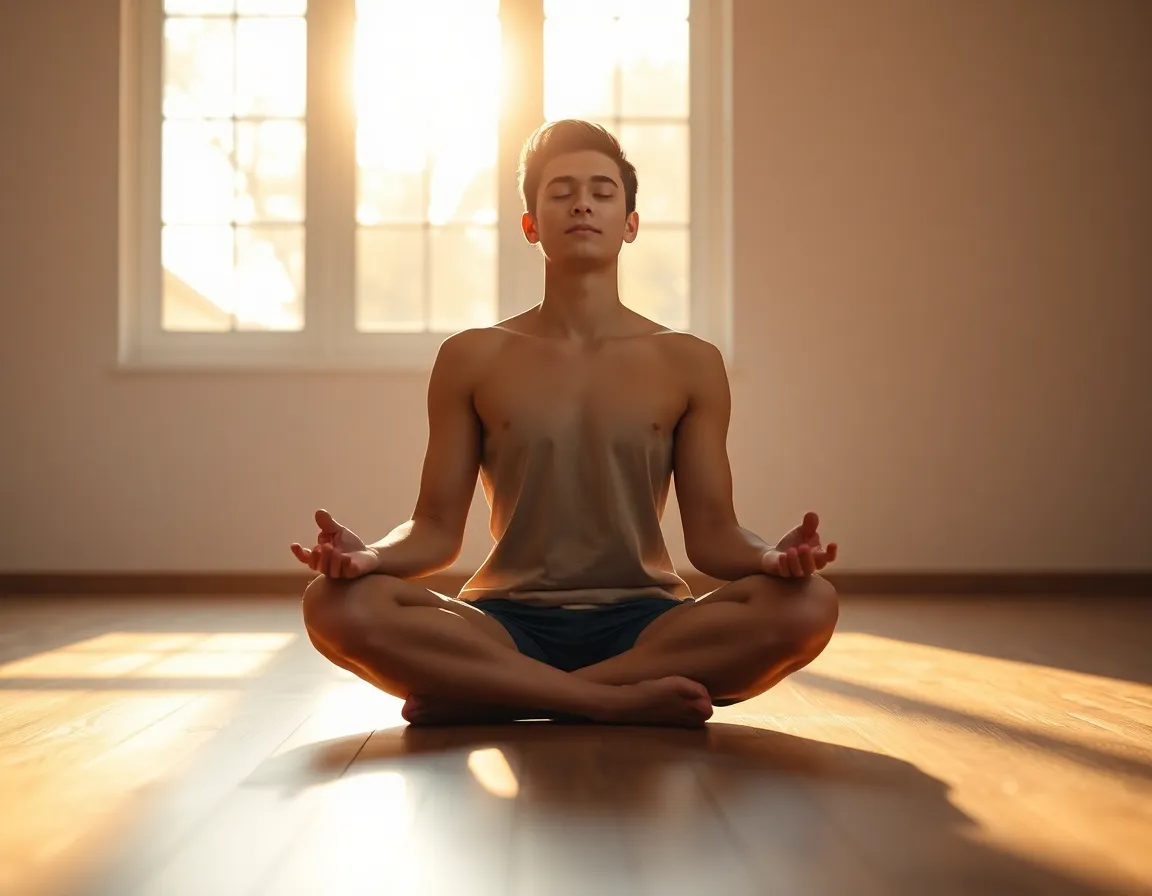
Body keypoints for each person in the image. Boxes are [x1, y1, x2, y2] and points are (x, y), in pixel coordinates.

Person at [293, 119, 839, 727]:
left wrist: (772, 560)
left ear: (631, 224)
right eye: (561, 192)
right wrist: (369, 557)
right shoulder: (471, 356)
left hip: (649, 626)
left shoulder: (691, 362)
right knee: (334, 605)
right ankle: (606, 701)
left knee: (808, 604)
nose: (583, 202)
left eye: (603, 192)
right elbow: (433, 531)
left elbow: (713, 536)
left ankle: (498, 694)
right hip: (503, 622)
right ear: (531, 225)